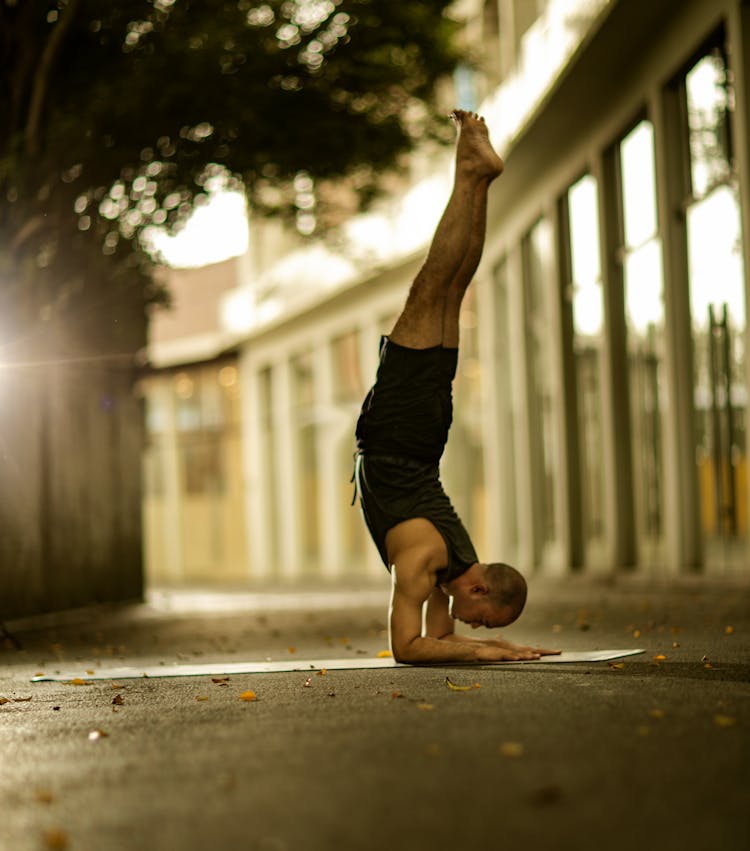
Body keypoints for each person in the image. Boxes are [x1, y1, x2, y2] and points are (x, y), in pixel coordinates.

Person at [353, 110, 560, 665]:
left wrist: (500, 644)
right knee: (432, 285)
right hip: (402, 426)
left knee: (450, 290)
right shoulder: (424, 562)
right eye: (480, 618)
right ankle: (470, 174)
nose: (468, 625)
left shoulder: (451, 566)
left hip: (420, 433)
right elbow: (409, 648)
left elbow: (439, 641)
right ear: (477, 589)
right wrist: (485, 653)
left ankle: (477, 177)